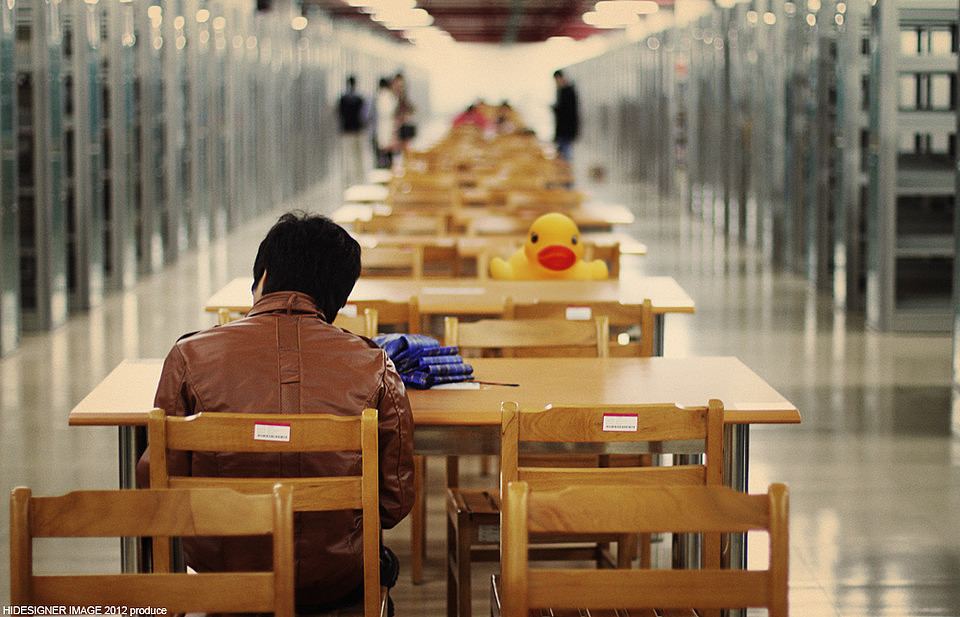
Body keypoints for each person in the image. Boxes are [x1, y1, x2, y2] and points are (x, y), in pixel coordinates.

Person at [136, 211, 415, 614]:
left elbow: (157, 485)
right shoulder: (374, 365)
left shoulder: (189, 356)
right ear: (337, 298)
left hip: (226, 579)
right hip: (334, 580)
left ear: (263, 276)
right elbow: (394, 500)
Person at [337, 75, 367, 187]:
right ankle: (359, 176)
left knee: (347, 154)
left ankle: (348, 177)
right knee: (358, 154)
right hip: (357, 131)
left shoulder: (343, 99)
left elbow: (339, 115)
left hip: (346, 131)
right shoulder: (359, 99)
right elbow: (363, 116)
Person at [552, 70, 580, 161]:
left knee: (565, 157)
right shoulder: (562, 91)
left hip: (566, 131)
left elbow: (569, 113)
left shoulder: (568, 92)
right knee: (562, 155)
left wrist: (556, 109)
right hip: (563, 131)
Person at [375, 77, 397, 169]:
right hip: (387, 126)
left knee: (384, 151)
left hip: (384, 126)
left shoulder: (382, 96)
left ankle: (385, 169)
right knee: (388, 152)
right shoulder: (389, 96)